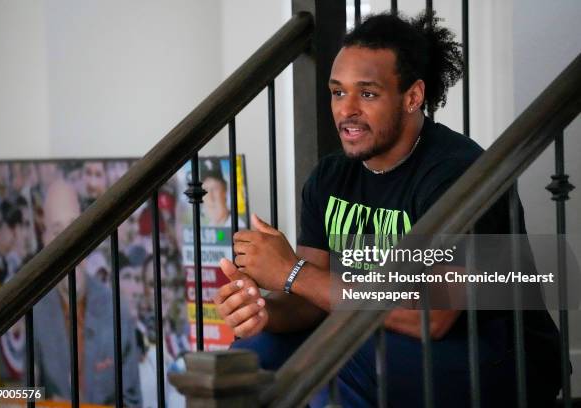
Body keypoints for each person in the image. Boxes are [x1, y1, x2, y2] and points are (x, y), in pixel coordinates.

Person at [214, 12, 562, 408]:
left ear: (412, 97)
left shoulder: (459, 175)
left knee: (341, 356)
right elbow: (312, 300)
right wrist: (262, 310)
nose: (346, 110)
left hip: (497, 354)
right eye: (337, 92)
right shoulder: (330, 178)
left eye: (367, 93)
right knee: (250, 356)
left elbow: (429, 316)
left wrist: (290, 272)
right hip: (391, 345)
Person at [33, 180, 142, 406]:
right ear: (45, 240)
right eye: (57, 230)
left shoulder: (116, 310)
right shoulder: (35, 314)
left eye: (74, 226)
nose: (68, 240)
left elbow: (132, 401)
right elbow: (27, 395)